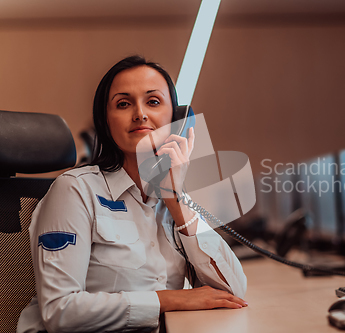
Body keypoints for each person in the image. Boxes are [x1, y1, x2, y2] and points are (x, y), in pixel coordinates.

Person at [17, 55, 247, 333]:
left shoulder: (173, 199)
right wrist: (167, 300)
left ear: (177, 120)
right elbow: (60, 311)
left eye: (153, 101)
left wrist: (176, 201)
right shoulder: (75, 190)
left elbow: (233, 290)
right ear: (105, 121)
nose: (140, 114)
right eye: (123, 104)